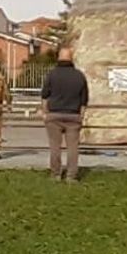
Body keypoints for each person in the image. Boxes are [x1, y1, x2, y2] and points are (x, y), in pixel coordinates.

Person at [41, 47, 88, 181]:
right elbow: (84, 99)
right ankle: (71, 176)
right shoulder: (79, 76)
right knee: (73, 148)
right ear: (71, 58)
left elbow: (45, 96)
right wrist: (81, 115)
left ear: (58, 58)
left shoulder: (52, 75)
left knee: (55, 146)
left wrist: (45, 113)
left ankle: (56, 174)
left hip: (54, 115)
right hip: (73, 115)